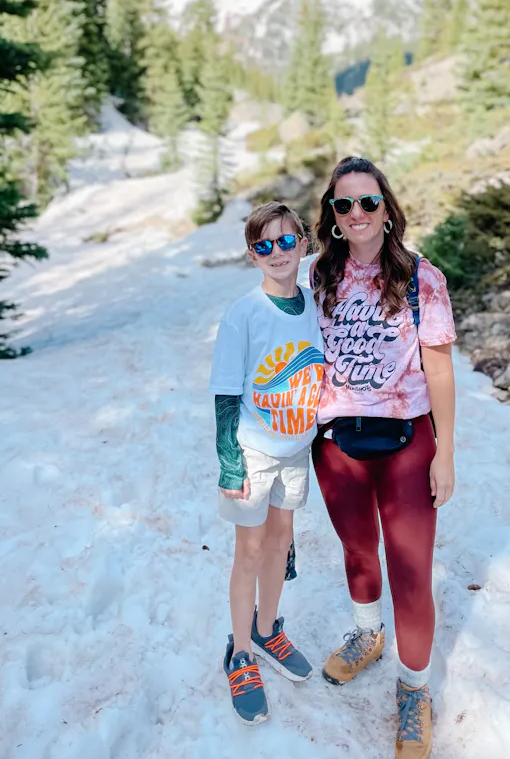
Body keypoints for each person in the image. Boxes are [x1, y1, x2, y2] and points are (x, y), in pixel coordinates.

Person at [311, 157, 457, 759]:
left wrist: (445, 452)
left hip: (406, 441)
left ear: (387, 209)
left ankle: (415, 690)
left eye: (368, 202)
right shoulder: (319, 276)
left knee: (411, 567)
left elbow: (440, 371)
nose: (357, 214)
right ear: (333, 217)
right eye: (344, 205)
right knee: (355, 548)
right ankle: (368, 635)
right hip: (337, 442)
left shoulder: (423, 278)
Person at [209, 202, 325, 725]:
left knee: (281, 541)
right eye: (264, 245)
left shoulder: (314, 305)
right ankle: (240, 652)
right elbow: (226, 393)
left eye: (286, 241)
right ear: (252, 255)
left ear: (304, 243)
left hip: (295, 449)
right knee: (250, 552)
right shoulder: (244, 313)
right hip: (254, 452)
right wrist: (231, 462)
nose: (276, 252)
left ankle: (268, 627)